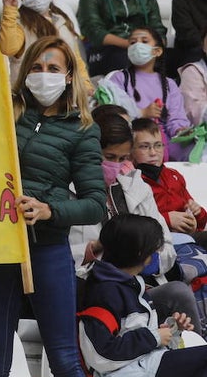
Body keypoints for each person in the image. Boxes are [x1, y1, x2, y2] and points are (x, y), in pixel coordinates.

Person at [0, 35, 105, 377]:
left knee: (64, 357)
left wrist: (50, 210)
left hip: (47, 250)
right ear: (24, 71)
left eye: (52, 68)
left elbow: (96, 203)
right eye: (36, 67)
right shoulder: (2, 110)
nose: (43, 75)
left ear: (68, 76)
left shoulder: (82, 128)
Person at [70, 114, 200, 331]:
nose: (115, 166)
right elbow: (58, 258)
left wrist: (146, 260)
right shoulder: (67, 194)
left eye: (122, 159)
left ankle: (194, 357)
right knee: (176, 292)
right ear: (89, 152)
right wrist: (94, 248)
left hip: (142, 287)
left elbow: (166, 248)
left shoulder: (136, 187)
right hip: (94, 292)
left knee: (177, 294)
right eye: (109, 157)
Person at [79, 213, 207, 377]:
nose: (158, 253)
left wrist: (171, 331)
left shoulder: (130, 284)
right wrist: (155, 337)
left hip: (143, 371)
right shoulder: (104, 292)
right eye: (154, 248)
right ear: (139, 253)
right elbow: (100, 354)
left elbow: (135, 336)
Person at [105, 27, 189, 157]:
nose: (137, 45)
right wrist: (142, 113)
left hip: (163, 140)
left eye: (144, 41)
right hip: (132, 138)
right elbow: (112, 113)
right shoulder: (119, 79)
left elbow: (176, 118)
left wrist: (181, 130)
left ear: (157, 51)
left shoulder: (168, 84)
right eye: (132, 42)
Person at [0, 0, 90, 90]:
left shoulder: (62, 21)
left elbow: (76, 59)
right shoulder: (18, 22)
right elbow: (8, 48)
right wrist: (10, 11)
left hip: (63, 93)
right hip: (27, 94)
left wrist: (86, 84)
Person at [133, 118, 207, 248]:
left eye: (158, 145)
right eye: (145, 146)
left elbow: (200, 223)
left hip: (187, 240)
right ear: (131, 151)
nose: (153, 152)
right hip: (156, 244)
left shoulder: (174, 176)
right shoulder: (132, 182)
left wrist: (197, 213)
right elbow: (132, 225)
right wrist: (167, 219)